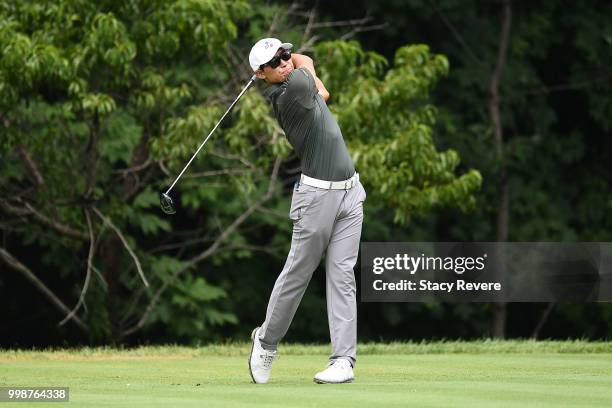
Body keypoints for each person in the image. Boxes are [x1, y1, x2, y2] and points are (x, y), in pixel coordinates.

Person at [247, 38, 366, 384]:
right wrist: (296, 58)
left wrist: (283, 54)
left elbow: (323, 94)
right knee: (298, 274)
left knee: (343, 275)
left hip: (349, 193)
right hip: (316, 199)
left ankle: (343, 360)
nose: (285, 61)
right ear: (261, 74)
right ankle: (266, 341)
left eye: (284, 55)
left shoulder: (298, 84)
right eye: (275, 61)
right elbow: (307, 61)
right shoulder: (289, 92)